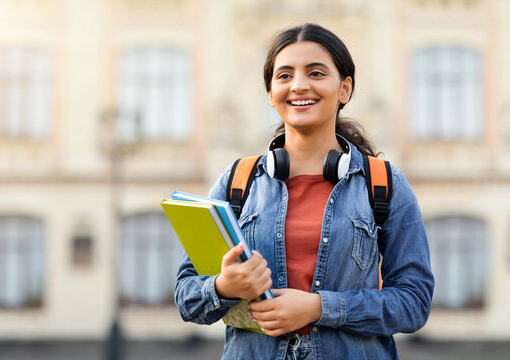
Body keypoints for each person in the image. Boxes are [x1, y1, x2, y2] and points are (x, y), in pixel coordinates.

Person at [175, 23, 434, 360]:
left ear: (344, 89)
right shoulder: (235, 181)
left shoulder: (385, 185)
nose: (298, 85)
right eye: (284, 76)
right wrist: (224, 287)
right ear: (270, 93)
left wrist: (319, 307)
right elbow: (186, 295)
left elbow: (414, 303)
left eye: (315, 73)